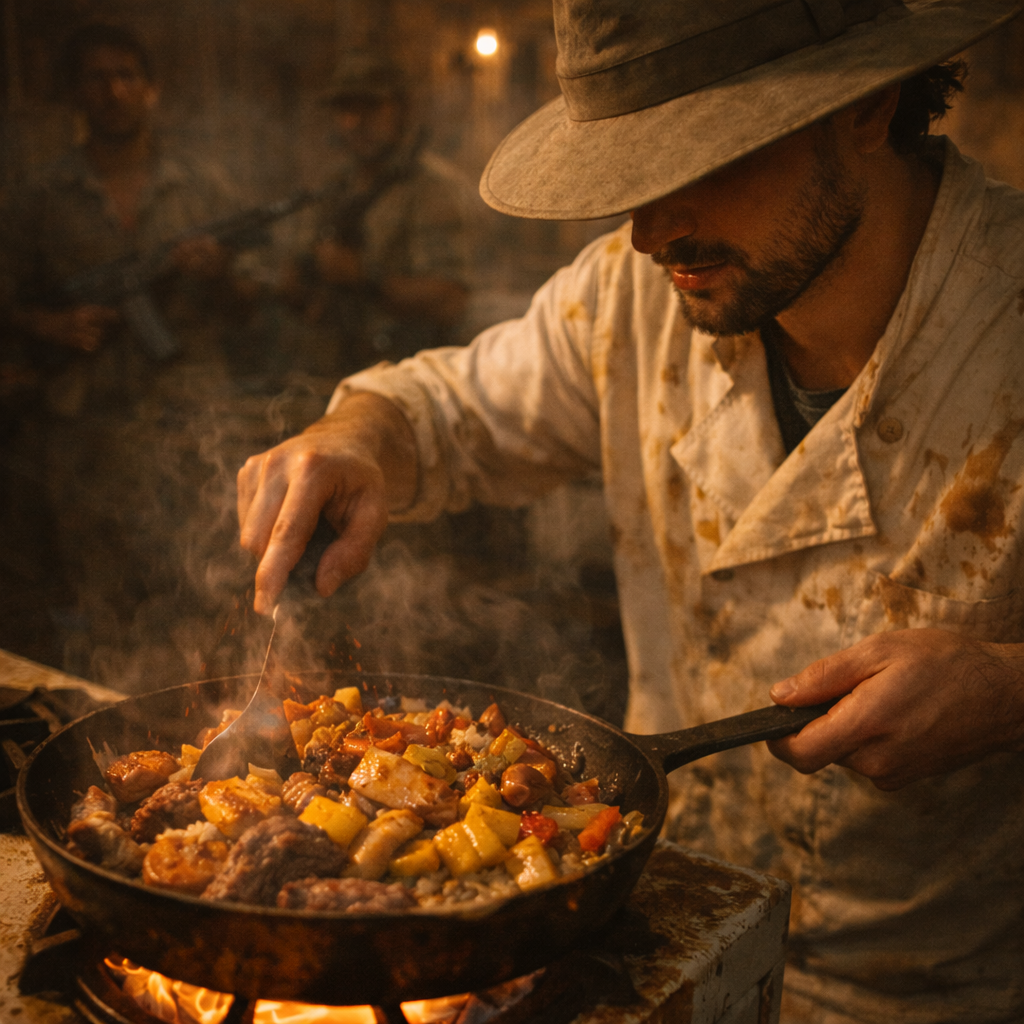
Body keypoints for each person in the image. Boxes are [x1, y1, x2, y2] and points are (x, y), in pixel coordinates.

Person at [236, 2, 1024, 1021]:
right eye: (630, 178)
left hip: (923, 988)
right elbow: (444, 410)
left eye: (702, 158)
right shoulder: (632, 292)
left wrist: (1009, 686)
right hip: (649, 917)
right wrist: (355, 437)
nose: (650, 234)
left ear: (867, 107)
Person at [0, 23, 257, 686]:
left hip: (191, 421)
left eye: (125, 76)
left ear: (151, 89)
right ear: (75, 93)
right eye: (96, 77)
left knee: (207, 574)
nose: (112, 90)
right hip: (86, 425)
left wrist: (219, 274)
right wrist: (48, 324)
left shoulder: (201, 187)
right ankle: (115, 714)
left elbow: (257, 301)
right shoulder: (39, 196)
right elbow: (8, 299)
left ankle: (214, 710)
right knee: (101, 592)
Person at [276, 50, 474, 380]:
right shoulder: (333, 186)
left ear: (401, 110)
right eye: (345, 109)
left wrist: (363, 277)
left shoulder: (430, 189)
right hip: (326, 372)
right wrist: (296, 280)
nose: (355, 122)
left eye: (370, 107)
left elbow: (450, 301)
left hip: (404, 378)